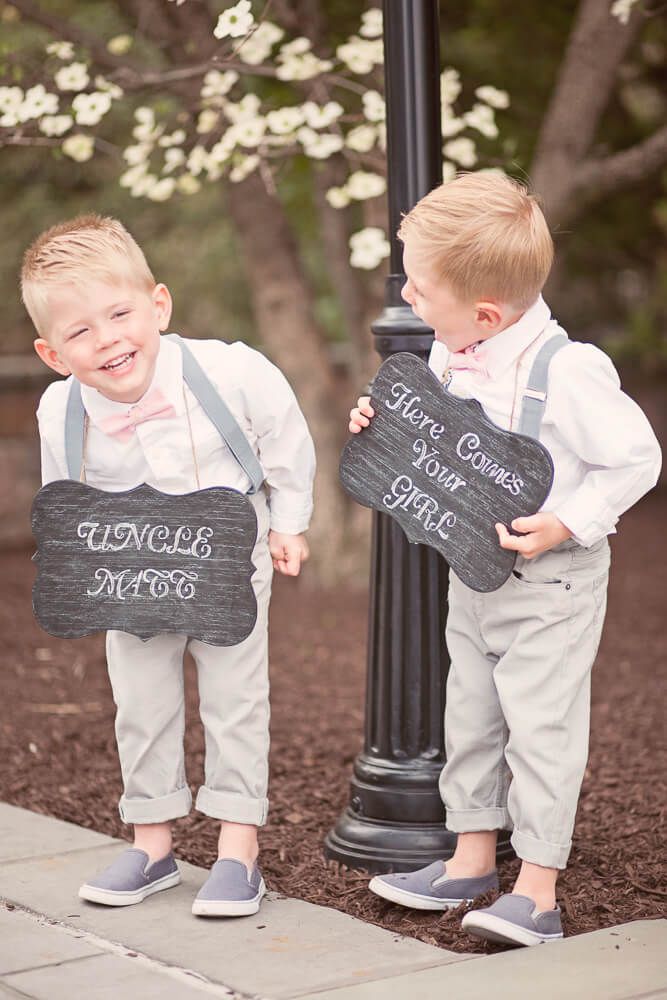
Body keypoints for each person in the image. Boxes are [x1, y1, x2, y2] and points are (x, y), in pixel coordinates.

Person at [348, 172, 661, 947]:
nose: (407, 301)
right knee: (473, 716)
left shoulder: (568, 370)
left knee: (539, 727)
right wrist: (378, 425)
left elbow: (637, 459)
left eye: (418, 290)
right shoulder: (456, 352)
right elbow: (436, 439)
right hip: (474, 572)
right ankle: (471, 857)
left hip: (550, 584)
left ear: (484, 312)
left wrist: (565, 522)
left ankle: (538, 889)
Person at [23, 214, 315, 917]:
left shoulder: (232, 371)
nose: (108, 340)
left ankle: (237, 851)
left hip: (224, 558)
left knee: (233, 697)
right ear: (53, 353)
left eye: (119, 314)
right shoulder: (59, 408)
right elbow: (63, 502)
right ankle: (151, 843)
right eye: (80, 331)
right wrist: (76, 573)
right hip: (128, 570)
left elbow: (286, 443)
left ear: (158, 305)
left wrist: (289, 524)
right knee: (142, 700)